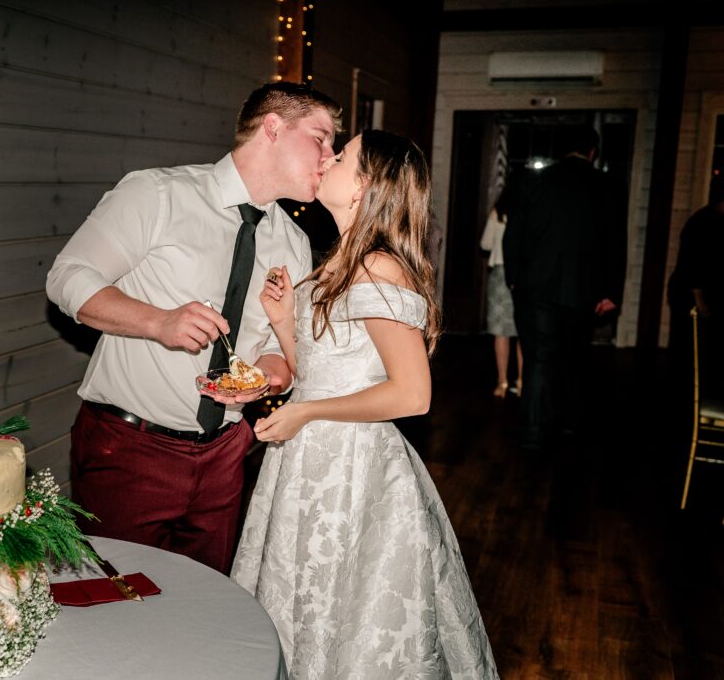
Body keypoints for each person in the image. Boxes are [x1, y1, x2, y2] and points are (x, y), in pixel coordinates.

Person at [232, 130, 498, 678]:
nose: (328, 158)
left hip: (353, 470)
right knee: (301, 605)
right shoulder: (334, 262)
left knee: (346, 614)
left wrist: (304, 412)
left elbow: (412, 395)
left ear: (365, 187)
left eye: (343, 155)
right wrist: (285, 324)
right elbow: (318, 375)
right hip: (305, 462)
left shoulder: (381, 268)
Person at [46, 82, 342, 573]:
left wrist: (268, 377)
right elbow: (67, 278)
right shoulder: (158, 194)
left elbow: (281, 350)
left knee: (205, 615)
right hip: (130, 450)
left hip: (226, 456)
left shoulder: (293, 239)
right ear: (272, 127)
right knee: (116, 608)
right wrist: (157, 321)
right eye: (321, 138)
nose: (329, 157)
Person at [502, 126, 626, 450]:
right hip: (582, 289)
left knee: (538, 358)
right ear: (592, 152)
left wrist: (513, 276)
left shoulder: (535, 181)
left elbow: (512, 233)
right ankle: (567, 426)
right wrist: (611, 291)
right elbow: (616, 243)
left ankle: (532, 430)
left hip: (534, 288)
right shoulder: (607, 186)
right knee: (573, 359)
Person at [667, 177, 724, 400]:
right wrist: (699, 299)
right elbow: (692, 264)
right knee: (688, 350)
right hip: (689, 295)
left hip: (709, 296)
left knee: (707, 351)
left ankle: (700, 394)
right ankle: (684, 394)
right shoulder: (702, 222)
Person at [480, 190, 523, 397]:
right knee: (524, 330)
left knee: (501, 331)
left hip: (500, 272)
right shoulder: (529, 210)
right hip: (525, 274)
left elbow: (485, 244)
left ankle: (502, 382)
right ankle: (522, 381)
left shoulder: (498, 212)